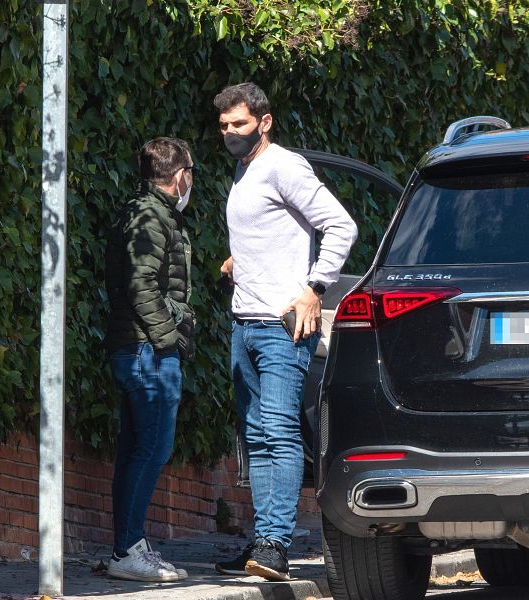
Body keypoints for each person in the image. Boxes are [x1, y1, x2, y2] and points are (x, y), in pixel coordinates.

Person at [212, 82, 358, 581]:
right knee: (256, 436)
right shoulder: (245, 169)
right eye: (225, 126)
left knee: (277, 430)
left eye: (240, 125)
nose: (231, 134)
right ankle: (261, 543)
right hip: (244, 323)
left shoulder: (284, 165)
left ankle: (276, 543)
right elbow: (274, 233)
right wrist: (241, 260)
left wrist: (315, 288)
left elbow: (341, 226)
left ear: (264, 122)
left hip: (282, 325)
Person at [104, 137, 196, 582]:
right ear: (179, 174)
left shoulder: (147, 213)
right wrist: (167, 339)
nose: (190, 181)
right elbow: (142, 285)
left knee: (135, 450)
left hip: (137, 347)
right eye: (190, 172)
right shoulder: (150, 217)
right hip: (147, 352)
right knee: (152, 448)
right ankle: (128, 550)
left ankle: (129, 545)